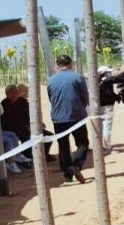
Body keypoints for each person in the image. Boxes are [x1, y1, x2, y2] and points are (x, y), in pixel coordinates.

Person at [47, 54, 89, 183]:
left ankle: (68, 174)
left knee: (63, 145)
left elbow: (51, 98)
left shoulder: (50, 80)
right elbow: (85, 97)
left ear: (57, 65)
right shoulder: (78, 77)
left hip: (58, 117)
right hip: (76, 115)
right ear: (70, 64)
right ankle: (75, 166)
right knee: (82, 143)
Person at [98, 65, 117, 153]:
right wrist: (116, 97)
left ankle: (102, 146)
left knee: (101, 127)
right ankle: (107, 147)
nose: (110, 73)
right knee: (107, 127)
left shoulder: (97, 82)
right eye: (108, 72)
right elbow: (109, 94)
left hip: (99, 106)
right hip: (107, 107)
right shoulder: (107, 81)